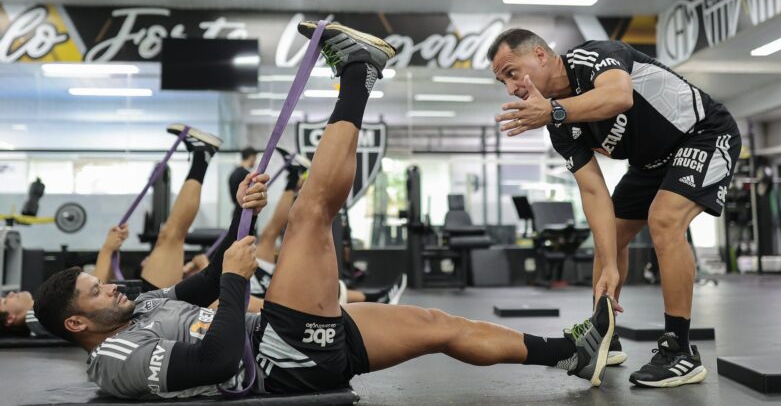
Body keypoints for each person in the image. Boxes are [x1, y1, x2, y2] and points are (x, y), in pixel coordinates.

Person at [32, 22, 615, 400]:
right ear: (77, 325)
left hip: (288, 336)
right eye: (96, 292)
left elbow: (210, 278)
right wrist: (236, 282)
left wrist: (248, 218)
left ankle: (572, 350)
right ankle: (360, 73)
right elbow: (213, 361)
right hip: (277, 363)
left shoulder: (142, 303)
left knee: (442, 327)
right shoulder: (113, 360)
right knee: (312, 213)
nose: (111, 288)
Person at [488, 29, 741, 387]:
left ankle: (680, 351)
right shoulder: (559, 125)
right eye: (503, 82)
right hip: (650, 163)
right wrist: (609, 264)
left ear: (541, 55)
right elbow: (593, 193)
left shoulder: (594, 57)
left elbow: (618, 96)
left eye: (512, 73)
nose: (511, 88)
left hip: (704, 133)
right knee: (611, 237)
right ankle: (604, 337)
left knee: (664, 220)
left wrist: (555, 111)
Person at [0, 125, 221, 337]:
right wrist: (107, 249)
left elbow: (94, 294)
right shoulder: (36, 318)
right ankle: (202, 156)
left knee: (171, 237)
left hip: (135, 303)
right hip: (140, 310)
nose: (9, 293)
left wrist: (112, 251)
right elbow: (88, 295)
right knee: (172, 236)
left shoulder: (41, 315)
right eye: (3, 301)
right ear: (10, 319)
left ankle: (202, 157)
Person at [252, 162, 406, 305]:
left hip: (258, 283)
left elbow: (272, 230)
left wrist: (292, 181)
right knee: (311, 287)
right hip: (271, 303)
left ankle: (377, 298)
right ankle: (377, 299)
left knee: (269, 237)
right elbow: (252, 308)